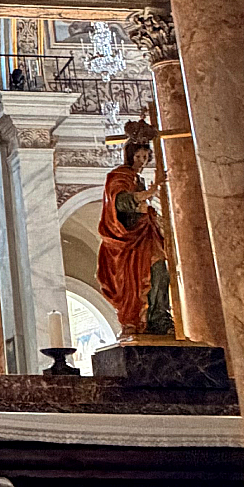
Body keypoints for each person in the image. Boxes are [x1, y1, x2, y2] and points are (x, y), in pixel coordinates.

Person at [96, 127, 172, 337]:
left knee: (160, 272)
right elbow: (119, 202)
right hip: (128, 237)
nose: (142, 160)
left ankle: (159, 318)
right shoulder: (118, 175)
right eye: (138, 156)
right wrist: (148, 193)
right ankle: (134, 320)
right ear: (129, 155)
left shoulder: (138, 179)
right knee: (134, 281)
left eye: (146, 157)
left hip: (145, 233)